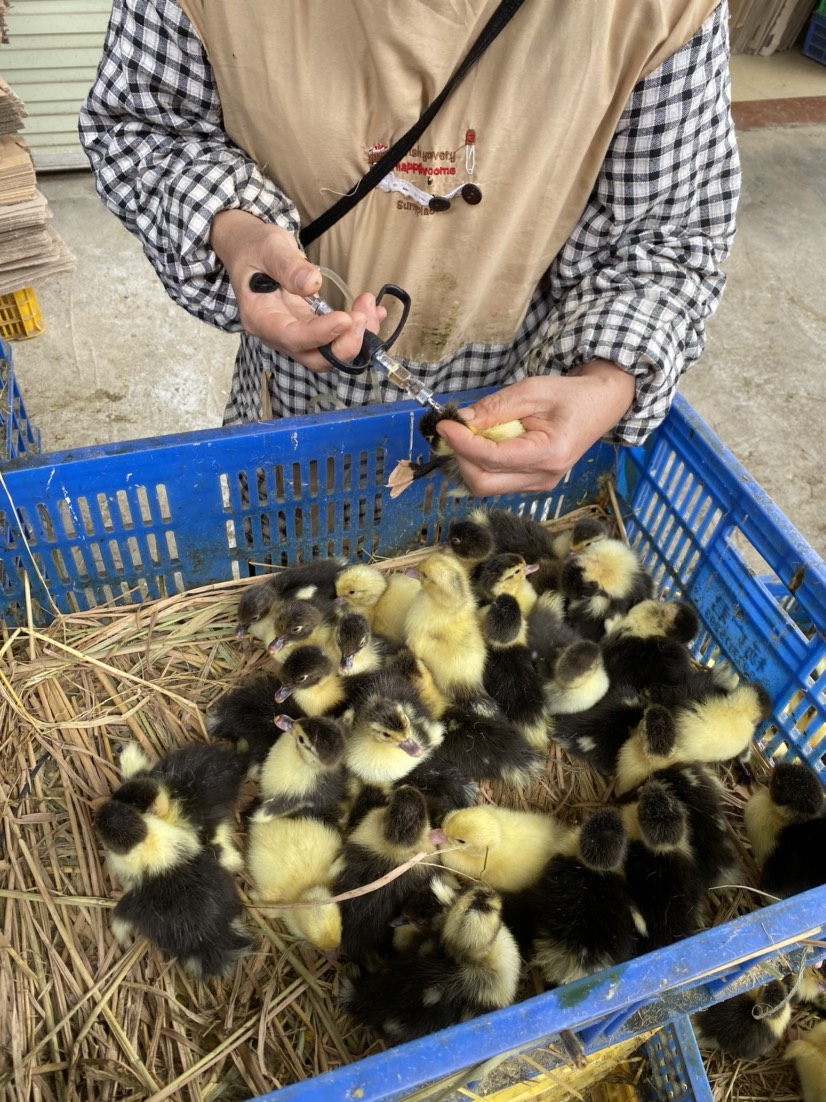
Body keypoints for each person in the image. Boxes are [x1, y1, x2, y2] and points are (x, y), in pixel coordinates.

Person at [78, 0, 739, 498]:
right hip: (293, 394)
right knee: (290, 567)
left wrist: (605, 381)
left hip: (519, 395)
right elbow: (143, 125)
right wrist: (238, 228)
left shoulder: (661, 11)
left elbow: (670, 231)